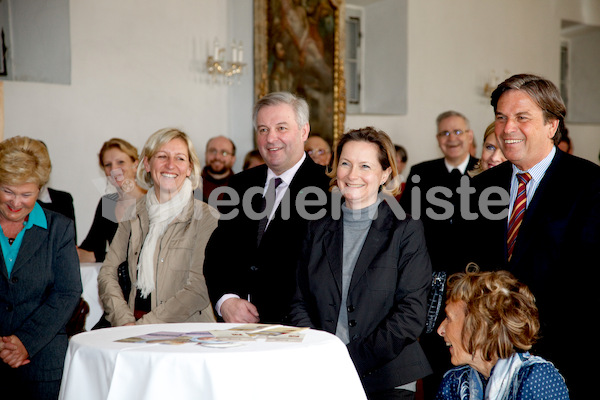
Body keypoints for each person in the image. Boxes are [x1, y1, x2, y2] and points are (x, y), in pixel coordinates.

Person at [467, 73, 600, 397]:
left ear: (552, 125)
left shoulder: (590, 184)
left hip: (565, 360)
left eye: (522, 117)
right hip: (491, 359)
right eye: (501, 117)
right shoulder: (482, 187)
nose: (507, 128)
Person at [290, 127, 432, 400]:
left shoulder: (405, 229)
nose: (352, 175)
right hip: (322, 373)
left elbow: (410, 314)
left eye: (365, 166)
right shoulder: (317, 227)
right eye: (345, 163)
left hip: (387, 378)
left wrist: (346, 359)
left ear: (385, 173)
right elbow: (299, 300)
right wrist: (320, 351)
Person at [204, 91, 330, 324]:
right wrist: (226, 301)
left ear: (304, 131)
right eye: (263, 130)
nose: (271, 138)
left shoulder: (327, 189)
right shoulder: (241, 184)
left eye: (281, 128)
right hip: (238, 329)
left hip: (297, 330)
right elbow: (219, 250)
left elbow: (324, 272)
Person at [97, 128, 218, 326]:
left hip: (187, 334)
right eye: (162, 156)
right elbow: (107, 272)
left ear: (189, 168)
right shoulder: (133, 214)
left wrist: (144, 326)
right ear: (147, 163)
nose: (170, 165)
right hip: (132, 326)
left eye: (179, 158)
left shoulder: (207, 218)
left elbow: (199, 288)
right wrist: (124, 321)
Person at [400, 111, 478, 400]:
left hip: (471, 281)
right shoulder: (422, 173)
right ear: (437, 140)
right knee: (434, 351)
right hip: (431, 279)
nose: (452, 138)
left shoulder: (486, 173)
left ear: (470, 136)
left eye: (458, 132)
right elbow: (408, 225)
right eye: (445, 133)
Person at [0, 136, 81, 400]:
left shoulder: (59, 228)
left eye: (27, 194)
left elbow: (68, 292)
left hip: (43, 361)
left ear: (40, 189)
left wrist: (25, 342)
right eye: (8, 191)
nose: (16, 203)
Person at [436, 266, 569, 400]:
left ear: (480, 326)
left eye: (448, 318)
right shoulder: (454, 383)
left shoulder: (538, 379)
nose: (440, 330)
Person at [78, 138, 146, 263]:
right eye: (108, 165)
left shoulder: (152, 201)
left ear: (135, 165)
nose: (114, 169)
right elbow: (90, 247)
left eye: (120, 162)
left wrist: (96, 257)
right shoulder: (108, 203)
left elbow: (143, 255)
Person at [200, 135, 236, 202]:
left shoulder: (241, 186)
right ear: (205, 154)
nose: (217, 157)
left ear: (233, 159)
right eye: (213, 151)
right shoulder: (191, 185)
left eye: (224, 153)